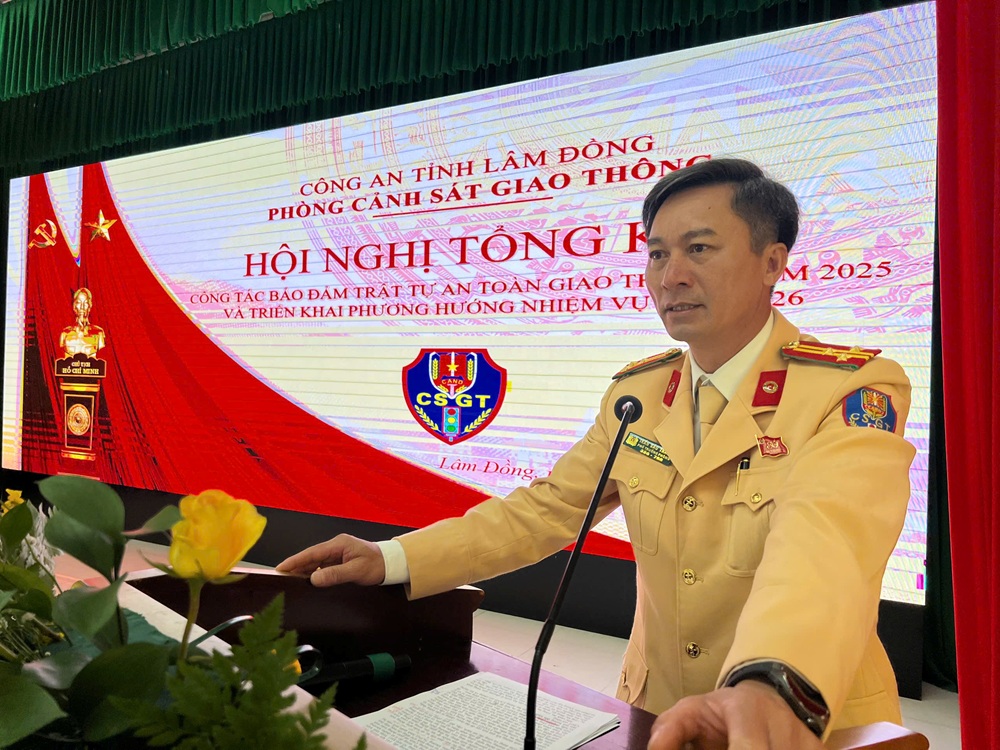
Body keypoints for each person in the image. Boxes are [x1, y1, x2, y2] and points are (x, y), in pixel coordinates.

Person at [278, 158, 915, 749]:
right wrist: (390, 558)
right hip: (658, 712)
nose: (671, 276)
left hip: (798, 720)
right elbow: (547, 509)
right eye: (658, 253)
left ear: (772, 262)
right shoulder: (640, 395)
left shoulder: (850, 389)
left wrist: (774, 684)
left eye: (699, 248)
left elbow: (826, 540)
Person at [59, 287, 106, 357]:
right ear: (74, 306)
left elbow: (101, 356)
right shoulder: (65, 333)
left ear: (89, 306)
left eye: (85, 303)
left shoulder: (98, 333)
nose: (82, 307)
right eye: (78, 302)